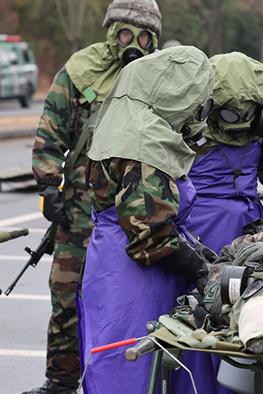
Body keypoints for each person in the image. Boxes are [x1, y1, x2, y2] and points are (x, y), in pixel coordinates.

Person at [27, 1, 161, 393]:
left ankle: (132, 381)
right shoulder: (81, 70)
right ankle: (61, 381)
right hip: (82, 209)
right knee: (67, 294)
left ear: (154, 39)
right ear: (110, 32)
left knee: (135, 302)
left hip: (137, 212)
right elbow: (51, 130)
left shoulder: (162, 76)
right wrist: (49, 185)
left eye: (142, 36)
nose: (131, 43)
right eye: (123, 34)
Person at [80, 46, 216, 394]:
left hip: (120, 264)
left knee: (145, 368)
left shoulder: (132, 121)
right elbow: (148, 235)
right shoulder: (141, 142)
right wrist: (200, 267)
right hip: (133, 279)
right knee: (130, 370)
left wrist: (196, 249)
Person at [179, 51, 263, 394]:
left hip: (245, 231)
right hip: (192, 228)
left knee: (248, 325)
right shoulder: (187, 101)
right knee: (190, 321)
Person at [188, 51, 263, 253]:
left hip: (247, 226)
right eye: (229, 115)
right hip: (192, 224)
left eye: (248, 114)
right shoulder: (189, 111)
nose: (239, 124)